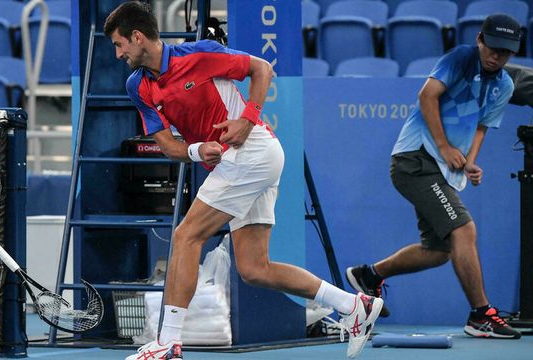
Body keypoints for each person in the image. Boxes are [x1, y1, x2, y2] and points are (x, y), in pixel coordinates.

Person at [103, 1, 383, 359]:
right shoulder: (137, 86)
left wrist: (247, 120)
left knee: (186, 235)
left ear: (138, 37)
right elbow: (167, 145)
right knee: (254, 268)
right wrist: (197, 149)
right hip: (240, 160)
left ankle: (168, 343)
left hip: (252, 151)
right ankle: (353, 305)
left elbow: (261, 68)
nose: (117, 53)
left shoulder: (201, 54)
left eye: (119, 44)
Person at [345, 13, 523, 339]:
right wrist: (443, 147)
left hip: (441, 171)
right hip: (415, 160)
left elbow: (481, 126)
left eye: (506, 51)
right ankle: (481, 315)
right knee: (464, 229)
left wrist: (469, 161)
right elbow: (427, 95)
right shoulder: (460, 58)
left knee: (440, 251)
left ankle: (370, 275)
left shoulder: (505, 85)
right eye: (493, 47)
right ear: (480, 40)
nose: (497, 56)